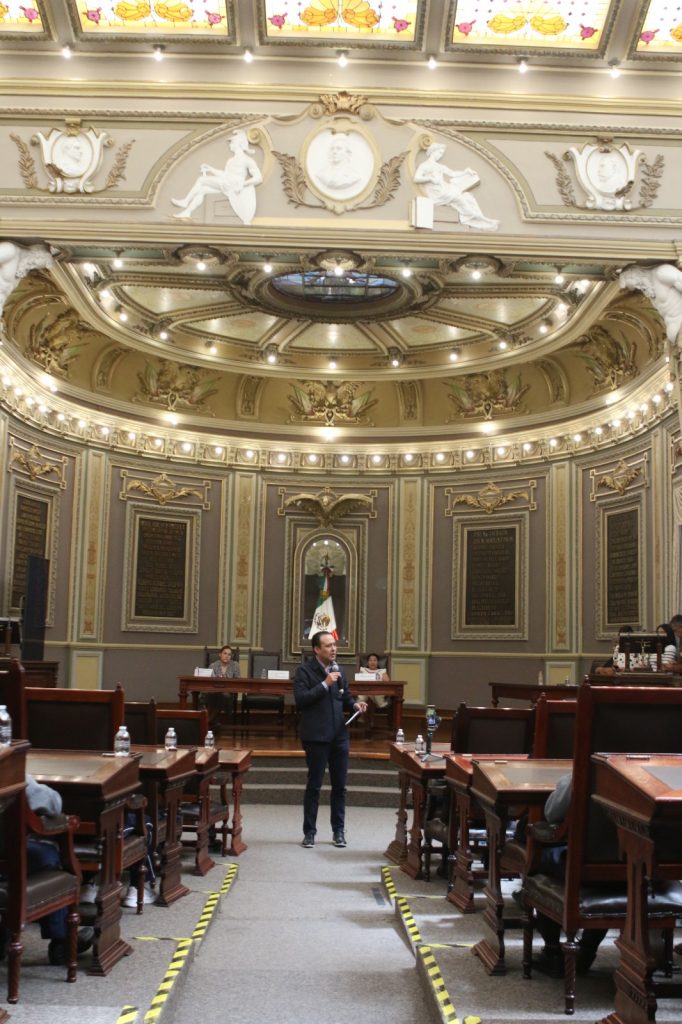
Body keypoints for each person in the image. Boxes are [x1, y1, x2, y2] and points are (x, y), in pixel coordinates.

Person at [528, 773, 607, 977]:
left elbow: (553, 813)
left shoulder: (587, 768)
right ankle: (588, 949)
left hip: (584, 867)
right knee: (611, 878)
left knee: (542, 858)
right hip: (644, 874)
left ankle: (552, 951)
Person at [294, 631, 367, 849]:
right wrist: (325, 684)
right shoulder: (304, 671)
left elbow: (345, 696)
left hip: (339, 736)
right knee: (314, 786)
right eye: (328, 646)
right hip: (316, 736)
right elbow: (301, 700)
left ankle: (338, 831)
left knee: (340, 787)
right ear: (317, 649)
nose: (333, 649)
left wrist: (355, 705)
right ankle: (309, 832)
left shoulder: (339, 670)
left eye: (334, 645)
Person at [24, 774, 94, 965]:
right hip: (11, 854)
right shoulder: (7, 766)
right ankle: (62, 940)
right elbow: (53, 804)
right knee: (47, 856)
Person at [172, 129, 262, 224]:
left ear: (239, 144)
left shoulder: (247, 160)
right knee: (203, 190)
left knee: (201, 179)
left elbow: (258, 178)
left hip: (234, 185)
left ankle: (185, 201)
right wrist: (210, 169)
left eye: (232, 142)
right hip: (227, 184)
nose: (230, 145)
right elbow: (225, 175)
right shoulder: (231, 161)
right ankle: (187, 212)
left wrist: (243, 184)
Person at [413, 143, 499, 231]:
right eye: (439, 153)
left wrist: (466, 172)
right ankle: (475, 219)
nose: (440, 156)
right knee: (460, 199)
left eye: (441, 154)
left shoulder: (439, 166)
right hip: (436, 193)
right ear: (432, 152)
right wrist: (430, 179)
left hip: (444, 189)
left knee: (468, 197)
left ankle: (479, 218)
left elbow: (452, 173)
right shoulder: (425, 165)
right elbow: (416, 178)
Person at [619, 263, 682, 344]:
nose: (639, 288)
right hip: (675, 337)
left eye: (638, 284)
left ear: (639, 273)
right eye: (636, 287)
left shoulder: (662, 273)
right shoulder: (649, 290)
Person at [204, 644, 239, 729]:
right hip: (213, 692)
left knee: (222, 696)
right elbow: (208, 681)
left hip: (227, 693)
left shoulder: (235, 665)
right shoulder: (213, 665)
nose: (227, 656)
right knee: (215, 695)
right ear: (220, 654)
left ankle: (206, 722)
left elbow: (238, 681)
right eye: (225, 653)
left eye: (229, 654)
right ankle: (210, 722)